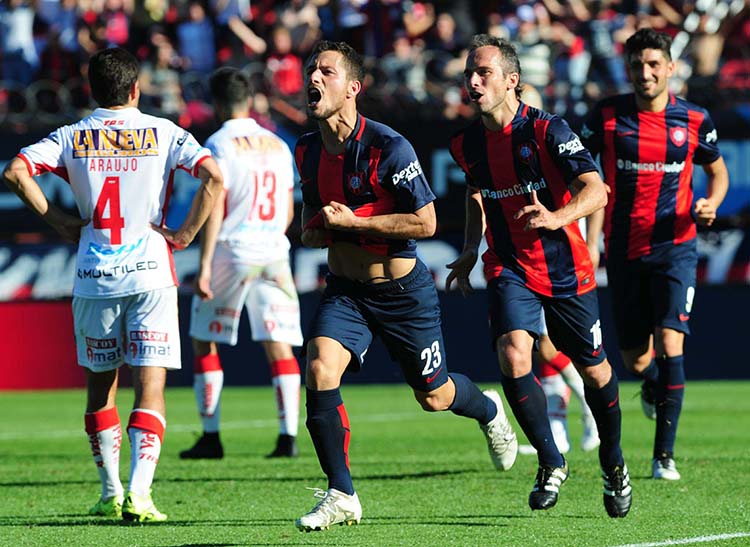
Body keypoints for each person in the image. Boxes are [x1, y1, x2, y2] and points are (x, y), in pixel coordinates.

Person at [294, 40, 518, 532]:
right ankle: (341, 493)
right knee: (318, 366)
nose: (313, 79)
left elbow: (426, 223)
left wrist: (354, 225)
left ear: (353, 87)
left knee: (434, 396)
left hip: (402, 293)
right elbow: (311, 224)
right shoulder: (307, 149)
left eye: (325, 72)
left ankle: (487, 409)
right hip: (346, 290)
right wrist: (314, 230)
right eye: (311, 70)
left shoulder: (388, 146)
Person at [2, 47, 223, 522]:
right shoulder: (164, 132)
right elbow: (213, 176)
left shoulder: (72, 135)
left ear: (91, 89)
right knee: (151, 386)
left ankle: (110, 491)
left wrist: (59, 220)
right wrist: (185, 233)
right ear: (135, 89)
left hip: (93, 275)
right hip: (150, 272)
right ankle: (140, 495)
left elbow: (15, 171)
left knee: (101, 388)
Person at [446, 34, 631, 518]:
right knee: (512, 352)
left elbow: (597, 190)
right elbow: (476, 193)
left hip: (566, 266)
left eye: (483, 72)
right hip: (508, 264)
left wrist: (557, 217)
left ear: (512, 81)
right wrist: (470, 248)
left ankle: (613, 463)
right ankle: (551, 461)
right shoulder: (465, 143)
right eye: (469, 72)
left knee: (595, 369)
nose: (473, 80)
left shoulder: (548, 130)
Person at [581, 28, 729, 481]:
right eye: (637, 66)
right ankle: (651, 384)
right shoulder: (605, 118)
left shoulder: (694, 120)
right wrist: (588, 239)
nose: (645, 73)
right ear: (628, 70)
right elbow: (582, 177)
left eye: (653, 65)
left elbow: (717, 172)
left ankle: (663, 456)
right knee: (636, 359)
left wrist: (712, 203)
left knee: (670, 342)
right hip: (624, 250)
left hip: (676, 248)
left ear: (669, 68)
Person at [179, 67, 304, 460]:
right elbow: (287, 210)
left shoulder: (217, 144)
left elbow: (214, 207)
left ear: (217, 104)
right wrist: (270, 237)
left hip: (232, 248)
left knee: (204, 338)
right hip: (273, 248)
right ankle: (288, 438)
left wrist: (203, 265)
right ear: (249, 100)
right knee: (278, 342)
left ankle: (211, 436)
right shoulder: (278, 144)